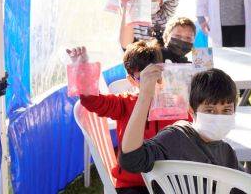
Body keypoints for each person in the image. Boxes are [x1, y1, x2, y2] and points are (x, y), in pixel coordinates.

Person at [119, 68, 251, 190]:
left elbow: (239, 190)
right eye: (210, 110)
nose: (219, 117)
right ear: (191, 111)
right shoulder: (174, 139)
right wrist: (144, 98)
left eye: (226, 110)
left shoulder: (226, 152)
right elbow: (131, 159)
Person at [70, 41, 185, 194]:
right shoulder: (124, 103)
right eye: (144, 78)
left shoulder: (177, 102)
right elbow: (91, 101)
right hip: (132, 182)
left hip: (169, 179)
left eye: (155, 75)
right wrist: (82, 69)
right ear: (131, 80)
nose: (151, 82)